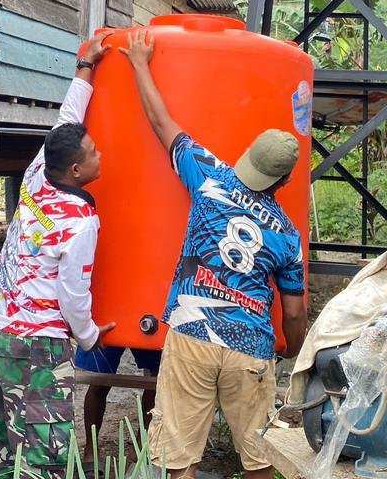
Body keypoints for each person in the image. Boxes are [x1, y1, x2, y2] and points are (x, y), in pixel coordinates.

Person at [121, 29, 307, 479]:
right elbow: (295, 313)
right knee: (261, 458)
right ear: (285, 180)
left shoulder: (210, 178)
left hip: (192, 332)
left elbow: (161, 121)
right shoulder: (288, 235)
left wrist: (140, 63)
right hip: (250, 347)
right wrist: (295, 355)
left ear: (248, 155)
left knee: (178, 458)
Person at [0, 41, 115, 478]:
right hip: (35, 343)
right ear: (76, 170)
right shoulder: (80, 221)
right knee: (43, 456)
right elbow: (73, 292)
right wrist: (89, 336)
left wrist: (85, 67)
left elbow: (66, 118)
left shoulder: (38, 173)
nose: (100, 155)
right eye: (94, 152)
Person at [74, 344, 158, 461]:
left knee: (157, 375)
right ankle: (90, 449)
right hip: (112, 331)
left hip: (148, 333)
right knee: (100, 376)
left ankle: (140, 447)